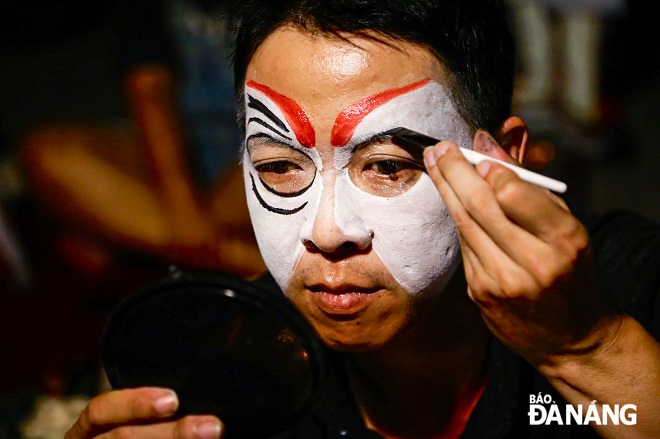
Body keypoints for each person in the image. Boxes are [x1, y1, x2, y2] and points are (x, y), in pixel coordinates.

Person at [66, 0, 660, 438]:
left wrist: (586, 350)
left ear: (499, 158)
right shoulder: (231, 368)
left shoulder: (627, 284)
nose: (326, 233)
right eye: (279, 166)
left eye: (384, 166)